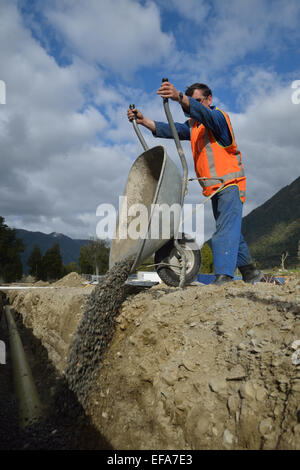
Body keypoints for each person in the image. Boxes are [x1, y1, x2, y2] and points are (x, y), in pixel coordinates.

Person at [127, 80, 263, 285]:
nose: (190, 107)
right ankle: (251, 273)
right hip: (214, 187)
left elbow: (205, 114)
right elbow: (171, 129)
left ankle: (224, 277)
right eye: (188, 104)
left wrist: (180, 97)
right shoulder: (194, 127)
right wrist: (144, 121)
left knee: (224, 231)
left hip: (230, 183)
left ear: (209, 100)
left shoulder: (218, 118)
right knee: (230, 228)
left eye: (197, 101)